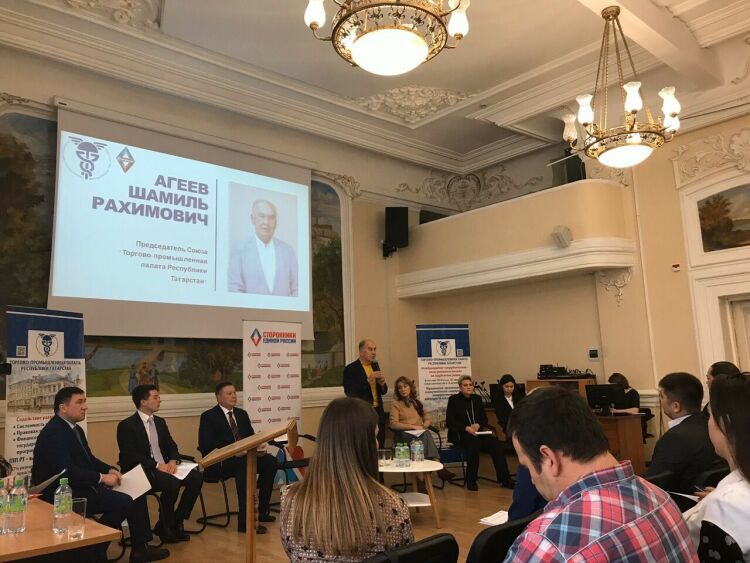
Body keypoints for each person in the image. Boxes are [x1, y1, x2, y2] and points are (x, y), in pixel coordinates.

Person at [504, 386, 696, 562]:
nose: (531, 479)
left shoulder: (547, 544)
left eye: (527, 466)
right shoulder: (662, 498)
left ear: (549, 459)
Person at [32, 387, 169, 563]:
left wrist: (109, 469)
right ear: (63, 407)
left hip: (80, 485)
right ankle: (92, 551)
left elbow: (89, 459)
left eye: (85, 402)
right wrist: (102, 478)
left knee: (136, 491)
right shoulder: (54, 432)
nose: (85, 407)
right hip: (63, 493)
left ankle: (139, 549)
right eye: (79, 402)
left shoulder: (74, 429)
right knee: (123, 501)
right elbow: (66, 471)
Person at [280, 397, 413, 562]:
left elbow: (290, 550)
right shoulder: (393, 506)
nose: (378, 444)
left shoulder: (291, 500)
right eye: (375, 437)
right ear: (364, 444)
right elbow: (404, 555)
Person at [117, 385, 204, 544]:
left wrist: (172, 460)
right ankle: (166, 526)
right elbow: (130, 456)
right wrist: (157, 465)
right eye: (155, 397)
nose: (159, 400)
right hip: (144, 470)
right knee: (172, 482)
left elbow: (171, 445)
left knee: (196, 477)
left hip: (166, 466)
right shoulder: (127, 425)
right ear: (143, 402)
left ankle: (176, 521)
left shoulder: (160, 422)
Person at [683, 373, 750, 560]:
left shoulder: (727, 504)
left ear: (725, 423)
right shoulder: (730, 496)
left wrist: (722, 502)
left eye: (710, 415)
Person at [198, 381, 277, 534]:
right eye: (229, 394)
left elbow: (251, 437)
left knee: (270, 462)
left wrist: (257, 447)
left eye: (234, 393)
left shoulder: (241, 414)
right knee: (243, 465)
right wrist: (234, 451)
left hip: (245, 457)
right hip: (222, 462)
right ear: (218, 397)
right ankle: (245, 522)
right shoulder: (208, 416)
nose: (233, 396)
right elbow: (205, 444)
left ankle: (260, 511)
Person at [645, 372, 724, 493]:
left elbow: (652, 484)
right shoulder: (711, 426)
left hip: (681, 500)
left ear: (676, 406)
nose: (660, 401)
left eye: (661, 396)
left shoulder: (674, 438)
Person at [446, 375, 513, 491]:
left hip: (478, 433)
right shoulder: (454, 400)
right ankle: (471, 480)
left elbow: (484, 419)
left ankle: (505, 479)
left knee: (495, 444)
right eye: (465, 385)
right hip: (461, 434)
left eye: (470, 385)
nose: (468, 387)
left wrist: (478, 425)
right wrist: (466, 428)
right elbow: (450, 421)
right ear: (460, 387)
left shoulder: (477, 399)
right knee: (474, 443)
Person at [389, 376, 453, 483]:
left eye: (405, 386)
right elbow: (393, 424)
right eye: (400, 387)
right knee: (423, 437)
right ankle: (439, 466)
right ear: (397, 390)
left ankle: (421, 482)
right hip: (403, 436)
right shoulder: (396, 404)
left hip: (420, 435)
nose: (403, 389)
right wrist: (413, 427)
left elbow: (427, 418)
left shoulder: (417, 402)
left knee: (423, 436)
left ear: (410, 388)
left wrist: (424, 426)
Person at [228, 199, 298, 296]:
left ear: (276, 222)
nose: (266, 222)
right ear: (253, 219)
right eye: (262, 216)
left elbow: (298, 289)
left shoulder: (288, 251)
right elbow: (234, 290)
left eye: (271, 218)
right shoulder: (239, 250)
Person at [343, 339, 388, 448]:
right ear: (361, 351)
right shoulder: (351, 369)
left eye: (374, 349)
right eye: (370, 349)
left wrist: (382, 384)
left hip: (378, 411)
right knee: (365, 445)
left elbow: (383, 391)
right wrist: (368, 381)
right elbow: (350, 392)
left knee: (380, 443)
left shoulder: (375, 366)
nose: (373, 352)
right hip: (362, 412)